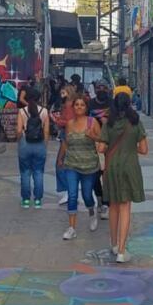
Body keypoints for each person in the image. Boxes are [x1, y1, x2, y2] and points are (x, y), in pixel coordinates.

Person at [96, 92, 148, 263]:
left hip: (112, 167)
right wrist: (131, 147)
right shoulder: (136, 122)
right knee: (125, 207)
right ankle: (122, 251)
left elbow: (101, 148)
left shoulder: (108, 124)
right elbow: (144, 149)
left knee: (113, 206)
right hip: (130, 167)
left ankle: (113, 244)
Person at [58, 94, 102, 239]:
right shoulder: (69, 124)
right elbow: (65, 142)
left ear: (86, 107)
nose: (79, 107)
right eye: (77, 104)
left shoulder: (92, 122)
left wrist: (93, 136)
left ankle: (92, 212)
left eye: (82, 105)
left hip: (89, 166)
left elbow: (102, 141)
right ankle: (71, 228)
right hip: (71, 164)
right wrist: (60, 158)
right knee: (72, 195)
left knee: (87, 195)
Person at [16, 87, 50, 209]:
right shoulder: (44, 111)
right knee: (38, 172)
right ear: (39, 98)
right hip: (39, 144)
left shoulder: (22, 111)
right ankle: (38, 200)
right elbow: (46, 131)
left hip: (25, 144)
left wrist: (19, 141)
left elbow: (19, 130)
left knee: (25, 172)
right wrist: (45, 145)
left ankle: (26, 200)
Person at [89, 79, 112, 220]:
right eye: (99, 87)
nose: (101, 89)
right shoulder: (90, 104)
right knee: (94, 174)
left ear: (108, 89)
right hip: (93, 143)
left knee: (107, 175)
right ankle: (99, 198)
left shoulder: (112, 103)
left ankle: (106, 204)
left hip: (109, 143)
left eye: (104, 87)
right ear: (95, 89)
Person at [51, 84, 76, 205]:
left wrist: (57, 120)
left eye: (63, 93)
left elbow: (68, 122)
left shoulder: (69, 106)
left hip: (67, 135)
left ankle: (68, 191)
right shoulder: (69, 105)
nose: (61, 96)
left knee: (61, 163)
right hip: (68, 135)